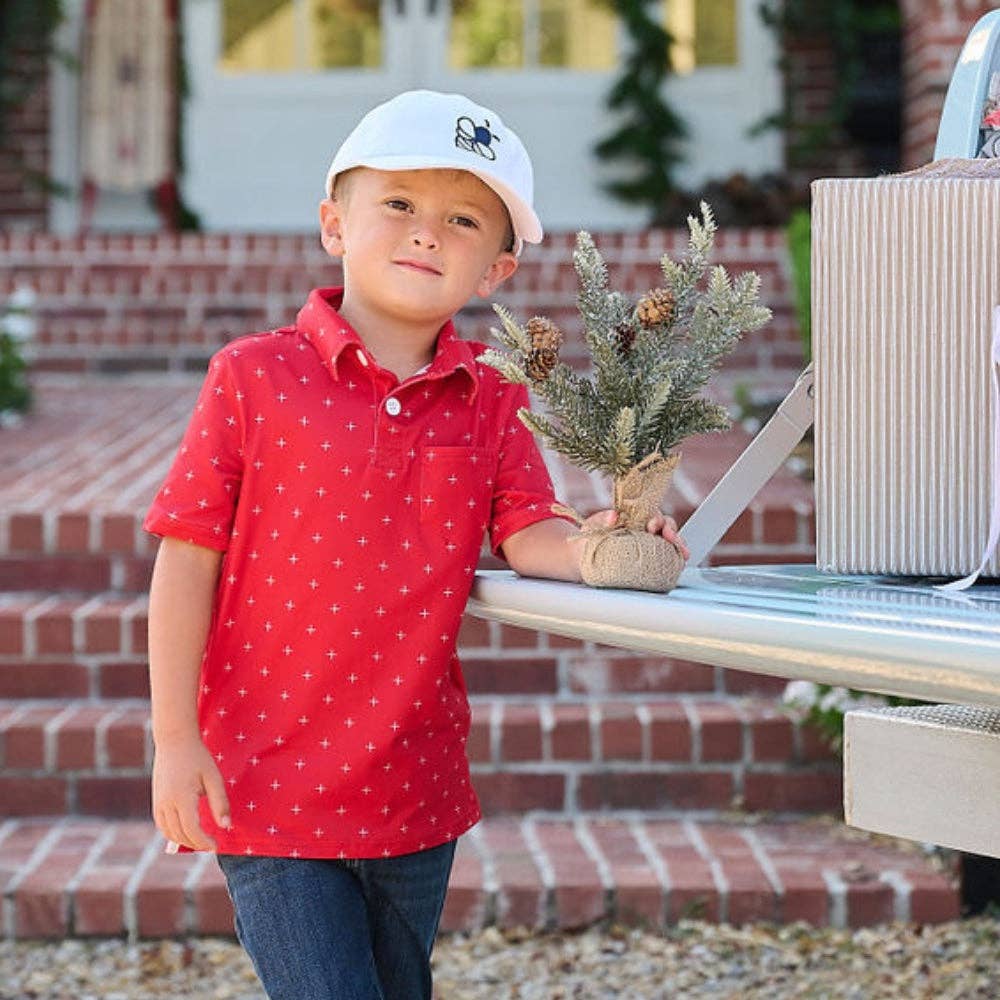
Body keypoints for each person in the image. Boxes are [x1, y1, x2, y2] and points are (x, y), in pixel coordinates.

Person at [145, 89, 689, 1000]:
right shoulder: (252, 377)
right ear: (334, 224)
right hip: (264, 782)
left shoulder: (490, 396)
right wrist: (172, 738)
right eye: (398, 203)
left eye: (462, 218)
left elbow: (528, 529)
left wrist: (604, 545)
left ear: (497, 270)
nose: (426, 232)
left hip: (413, 783)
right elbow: (185, 555)